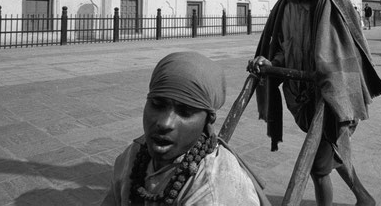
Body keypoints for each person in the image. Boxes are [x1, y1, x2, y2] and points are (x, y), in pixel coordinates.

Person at [248, 0, 381, 206]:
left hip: (333, 97)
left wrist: (330, 79)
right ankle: (364, 198)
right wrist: (269, 61)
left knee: (318, 168)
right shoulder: (286, 4)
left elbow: (344, 50)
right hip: (303, 96)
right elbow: (284, 47)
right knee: (332, 151)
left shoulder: (332, 1)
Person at [101, 51, 269, 206]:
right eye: (158, 105)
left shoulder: (215, 192)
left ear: (208, 121)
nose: (165, 123)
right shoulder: (133, 155)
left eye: (185, 112)